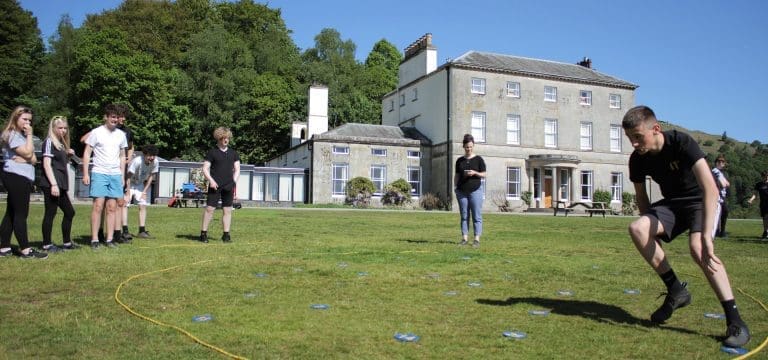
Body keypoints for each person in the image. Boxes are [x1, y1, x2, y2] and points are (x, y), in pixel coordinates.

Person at [622, 105, 749, 348]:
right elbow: (641, 197)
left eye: (638, 137)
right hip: (672, 205)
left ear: (656, 129)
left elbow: (711, 188)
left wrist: (707, 237)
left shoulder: (682, 142)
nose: (634, 144)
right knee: (638, 228)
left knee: (698, 249)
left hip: (701, 201)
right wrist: (650, 228)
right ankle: (676, 290)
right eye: (630, 139)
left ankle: (736, 321)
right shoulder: (637, 159)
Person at [0, 106, 47, 259]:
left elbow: (33, 159)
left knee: (11, 213)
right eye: (24, 119)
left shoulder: (21, 136)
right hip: (15, 176)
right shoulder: (11, 134)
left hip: (23, 177)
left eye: (29, 120)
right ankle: (25, 250)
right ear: (16, 118)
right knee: (21, 213)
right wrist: (30, 137)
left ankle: (4, 247)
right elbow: (28, 153)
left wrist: (27, 158)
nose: (27, 123)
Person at [82, 104, 128, 249]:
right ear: (106, 117)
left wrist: (122, 175)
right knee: (98, 205)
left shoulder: (121, 135)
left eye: (117, 117)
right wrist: (85, 173)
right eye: (112, 117)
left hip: (115, 174)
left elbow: (122, 156)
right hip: (99, 172)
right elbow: (87, 153)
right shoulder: (96, 132)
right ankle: (95, 239)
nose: (115, 119)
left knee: (112, 207)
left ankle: (109, 239)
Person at [40, 116, 78, 252]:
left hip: (61, 184)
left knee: (69, 212)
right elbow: (46, 164)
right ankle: (47, 244)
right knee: (50, 213)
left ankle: (67, 243)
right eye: (60, 128)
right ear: (53, 128)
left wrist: (67, 155)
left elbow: (59, 163)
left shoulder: (60, 144)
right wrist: (54, 185)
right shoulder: (49, 142)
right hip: (52, 184)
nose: (63, 131)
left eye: (65, 128)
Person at [199, 127, 240, 243]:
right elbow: (205, 168)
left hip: (228, 186)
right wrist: (211, 181)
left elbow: (237, 169)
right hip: (215, 185)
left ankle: (226, 235)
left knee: (227, 210)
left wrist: (234, 182)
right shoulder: (212, 152)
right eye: (223, 138)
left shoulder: (233, 153)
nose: (226, 140)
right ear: (218, 138)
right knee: (209, 209)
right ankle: (203, 234)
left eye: (227, 138)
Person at [453, 134, 486, 247]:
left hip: (476, 190)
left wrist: (475, 173)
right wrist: (455, 188)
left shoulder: (479, 159)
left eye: (471, 146)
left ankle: (476, 239)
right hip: (462, 192)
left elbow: (484, 174)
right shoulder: (459, 161)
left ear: (473, 146)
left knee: (476, 215)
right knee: (464, 215)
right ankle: (464, 239)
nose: (469, 149)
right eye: (467, 147)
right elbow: (457, 175)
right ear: (464, 146)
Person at [125, 144, 159, 238]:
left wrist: (144, 192)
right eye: (149, 155)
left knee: (143, 205)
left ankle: (142, 231)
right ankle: (124, 231)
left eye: (153, 155)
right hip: (129, 183)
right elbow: (128, 177)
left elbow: (151, 176)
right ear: (144, 154)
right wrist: (127, 192)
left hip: (139, 184)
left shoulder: (155, 162)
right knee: (125, 204)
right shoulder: (137, 161)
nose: (151, 158)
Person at [711, 155, 730, 238]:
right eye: (719, 162)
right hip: (718, 196)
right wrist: (725, 183)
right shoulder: (715, 171)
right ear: (716, 163)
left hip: (722, 195)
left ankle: (720, 231)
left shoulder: (721, 173)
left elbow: (727, 184)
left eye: (723, 162)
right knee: (719, 213)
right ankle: (718, 232)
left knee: (722, 213)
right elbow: (724, 184)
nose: (721, 163)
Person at [747, 170, 768, 239]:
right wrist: (751, 199)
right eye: (765, 176)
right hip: (763, 203)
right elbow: (755, 194)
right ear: (762, 177)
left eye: (767, 176)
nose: (766, 177)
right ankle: (765, 232)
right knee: (765, 218)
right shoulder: (759, 184)